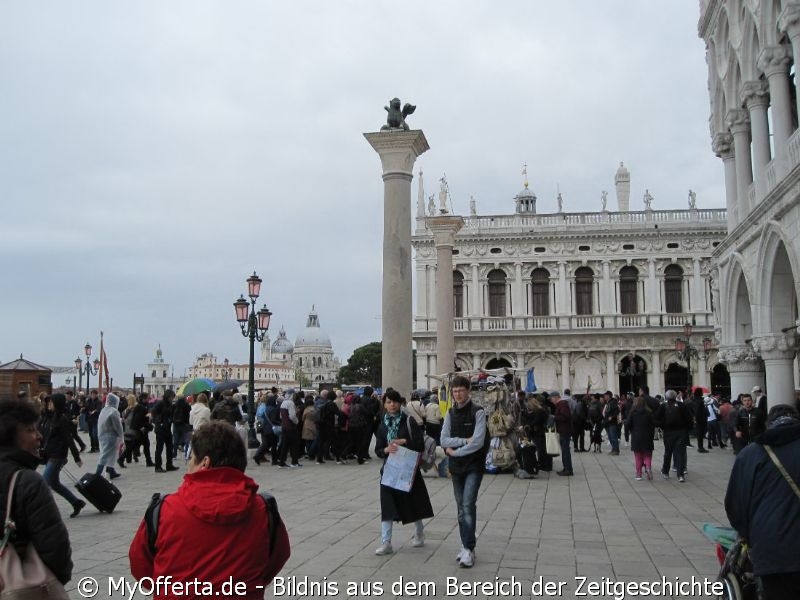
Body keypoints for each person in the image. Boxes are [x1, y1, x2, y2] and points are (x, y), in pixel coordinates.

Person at [129, 421, 291, 598]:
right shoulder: (263, 511)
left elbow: (141, 566)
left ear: (205, 462)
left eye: (192, 457)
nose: (189, 464)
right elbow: (277, 558)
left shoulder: (164, 509)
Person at [725, 405, 800, 598]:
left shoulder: (751, 454)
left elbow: (735, 506)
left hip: (772, 549)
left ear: (768, 424)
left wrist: (748, 535)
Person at [0, 396, 75, 585]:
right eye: (30, 430)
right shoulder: (27, 481)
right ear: (10, 437)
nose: (39, 436)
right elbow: (55, 547)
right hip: (16, 585)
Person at [373, 388, 433, 556]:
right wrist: (385, 449)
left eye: (395, 401)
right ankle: (386, 542)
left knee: (412, 503)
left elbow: (419, 444)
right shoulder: (382, 424)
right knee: (387, 505)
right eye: (388, 402)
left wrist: (403, 441)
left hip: (408, 469)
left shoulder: (408, 421)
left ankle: (419, 532)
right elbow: (378, 449)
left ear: (400, 403)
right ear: (384, 404)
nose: (392, 405)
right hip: (389, 470)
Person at [440, 375, 487, 568]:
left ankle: (468, 548)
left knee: (468, 505)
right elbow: (443, 440)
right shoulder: (450, 413)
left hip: (473, 465)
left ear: (469, 391)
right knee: (460, 508)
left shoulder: (479, 412)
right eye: (455, 391)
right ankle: (465, 543)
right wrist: (462, 441)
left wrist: (456, 452)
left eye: (461, 390)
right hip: (457, 468)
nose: (458, 394)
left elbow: (477, 441)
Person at [40, 393, 86, 517]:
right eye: (48, 402)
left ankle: (45, 512)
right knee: (54, 484)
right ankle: (76, 502)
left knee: (44, 483)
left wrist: (77, 457)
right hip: (49, 455)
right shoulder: (48, 417)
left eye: (51, 402)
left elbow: (69, 439)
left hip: (58, 456)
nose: (49, 404)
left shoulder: (62, 419)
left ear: (57, 404)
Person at [655, 390, 692, 482]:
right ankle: (680, 475)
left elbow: (656, 418)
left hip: (668, 432)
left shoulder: (663, 406)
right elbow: (688, 418)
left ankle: (665, 472)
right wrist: (686, 429)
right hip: (681, 432)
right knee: (680, 453)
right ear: (675, 396)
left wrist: (662, 426)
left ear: (667, 397)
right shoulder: (681, 405)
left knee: (668, 452)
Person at [626, 396, 655, 480]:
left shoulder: (632, 413)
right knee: (647, 455)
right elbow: (652, 425)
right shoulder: (649, 412)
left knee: (638, 456)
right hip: (647, 437)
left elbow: (627, 425)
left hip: (636, 437)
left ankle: (639, 474)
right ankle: (648, 467)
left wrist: (631, 430)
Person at [95, 392, 123, 479]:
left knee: (111, 455)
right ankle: (97, 474)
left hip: (102, 434)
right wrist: (121, 436)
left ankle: (111, 471)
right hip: (111, 436)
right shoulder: (114, 411)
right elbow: (117, 426)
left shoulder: (104, 410)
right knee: (105, 455)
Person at [151, 390, 178, 473]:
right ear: (167, 396)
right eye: (171, 397)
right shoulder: (160, 403)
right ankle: (158, 466)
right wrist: (159, 422)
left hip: (167, 428)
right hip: (161, 428)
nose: (172, 399)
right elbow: (153, 412)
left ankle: (169, 465)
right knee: (159, 448)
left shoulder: (169, 404)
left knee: (170, 447)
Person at [552, 391, 574, 476]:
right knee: (564, 450)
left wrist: (555, 417)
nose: (551, 400)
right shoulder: (560, 405)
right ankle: (566, 468)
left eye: (552, 398)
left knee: (565, 451)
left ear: (556, 397)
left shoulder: (562, 404)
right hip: (563, 430)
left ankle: (568, 469)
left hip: (565, 431)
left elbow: (565, 416)